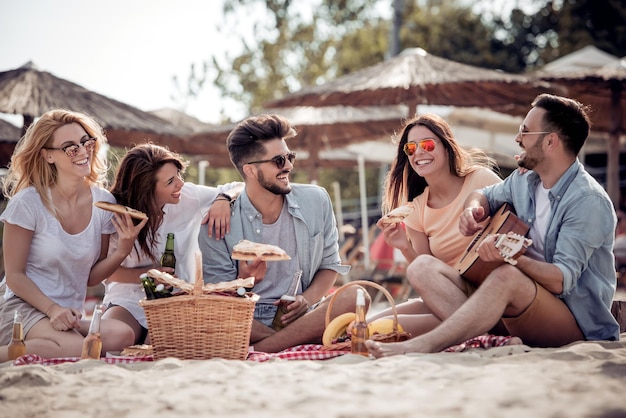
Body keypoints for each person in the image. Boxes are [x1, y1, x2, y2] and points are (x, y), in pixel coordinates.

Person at [367, 94, 620, 357]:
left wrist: (511, 257)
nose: (517, 138)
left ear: (550, 141)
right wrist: (471, 210)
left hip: (572, 323)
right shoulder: (525, 181)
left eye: (525, 130)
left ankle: (425, 344)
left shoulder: (587, 201)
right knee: (421, 268)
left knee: (507, 276)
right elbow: (485, 196)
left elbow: (560, 281)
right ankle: (485, 336)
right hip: (514, 305)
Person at [199, 114, 355, 353]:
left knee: (355, 294)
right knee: (207, 312)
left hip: (304, 314)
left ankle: (269, 347)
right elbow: (219, 301)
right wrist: (245, 284)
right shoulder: (217, 220)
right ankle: (292, 341)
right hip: (248, 319)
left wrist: (308, 300)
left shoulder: (316, 200)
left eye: (289, 156)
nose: (289, 166)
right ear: (250, 170)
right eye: (279, 160)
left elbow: (330, 265)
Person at [0, 109, 147, 362]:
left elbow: (90, 277)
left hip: (70, 315)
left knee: (122, 335)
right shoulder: (28, 203)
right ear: (48, 156)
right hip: (23, 307)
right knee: (79, 348)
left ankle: (42, 343)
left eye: (85, 142)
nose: (82, 152)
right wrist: (53, 309)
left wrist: (123, 249)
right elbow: (14, 277)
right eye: (70, 148)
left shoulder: (103, 203)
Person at [366, 113, 504, 338]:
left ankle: (481, 331)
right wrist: (403, 246)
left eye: (427, 144)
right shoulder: (416, 209)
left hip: (494, 289)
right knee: (368, 326)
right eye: (411, 148)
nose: (418, 152)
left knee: (384, 323)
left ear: (447, 146)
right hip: (453, 296)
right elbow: (427, 274)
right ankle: (478, 329)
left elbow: (522, 218)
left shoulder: (481, 180)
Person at [101, 143, 243, 344]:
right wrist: (150, 275)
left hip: (175, 300)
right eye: (170, 181)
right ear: (146, 188)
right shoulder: (114, 213)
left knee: (161, 345)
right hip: (127, 299)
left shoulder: (187, 197)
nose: (180, 184)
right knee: (113, 339)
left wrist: (223, 198)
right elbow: (106, 271)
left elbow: (239, 186)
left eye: (178, 175)